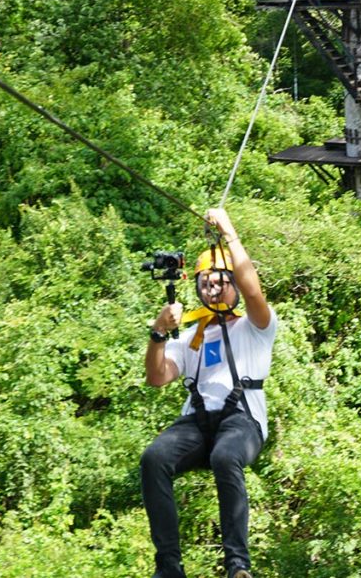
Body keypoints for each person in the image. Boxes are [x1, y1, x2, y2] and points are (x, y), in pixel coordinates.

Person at [141, 208, 276, 578]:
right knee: (154, 459)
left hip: (242, 421)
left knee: (225, 457)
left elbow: (252, 287)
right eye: (205, 282)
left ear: (232, 283)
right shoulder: (190, 336)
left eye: (220, 281)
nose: (212, 288)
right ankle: (169, 567)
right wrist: (157, 332)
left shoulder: (256, 326)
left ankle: (238, 567)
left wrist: (229, 231)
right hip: (198, 422)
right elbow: (157, 376)